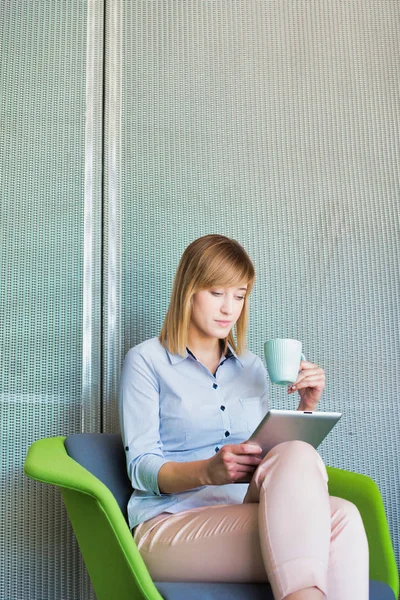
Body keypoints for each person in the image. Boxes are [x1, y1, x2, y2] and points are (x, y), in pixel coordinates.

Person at [119, 234, 368, 600]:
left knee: (339, 510)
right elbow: (141, 466)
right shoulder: (146, 361)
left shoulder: (251, 368)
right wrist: (208, 470)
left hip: (240, 510)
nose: (229, 309)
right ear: (189, 290)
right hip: (171, 525)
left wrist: (306, 409)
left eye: (239, 295)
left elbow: (273, 463)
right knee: (332, 522)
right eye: (217, 292)